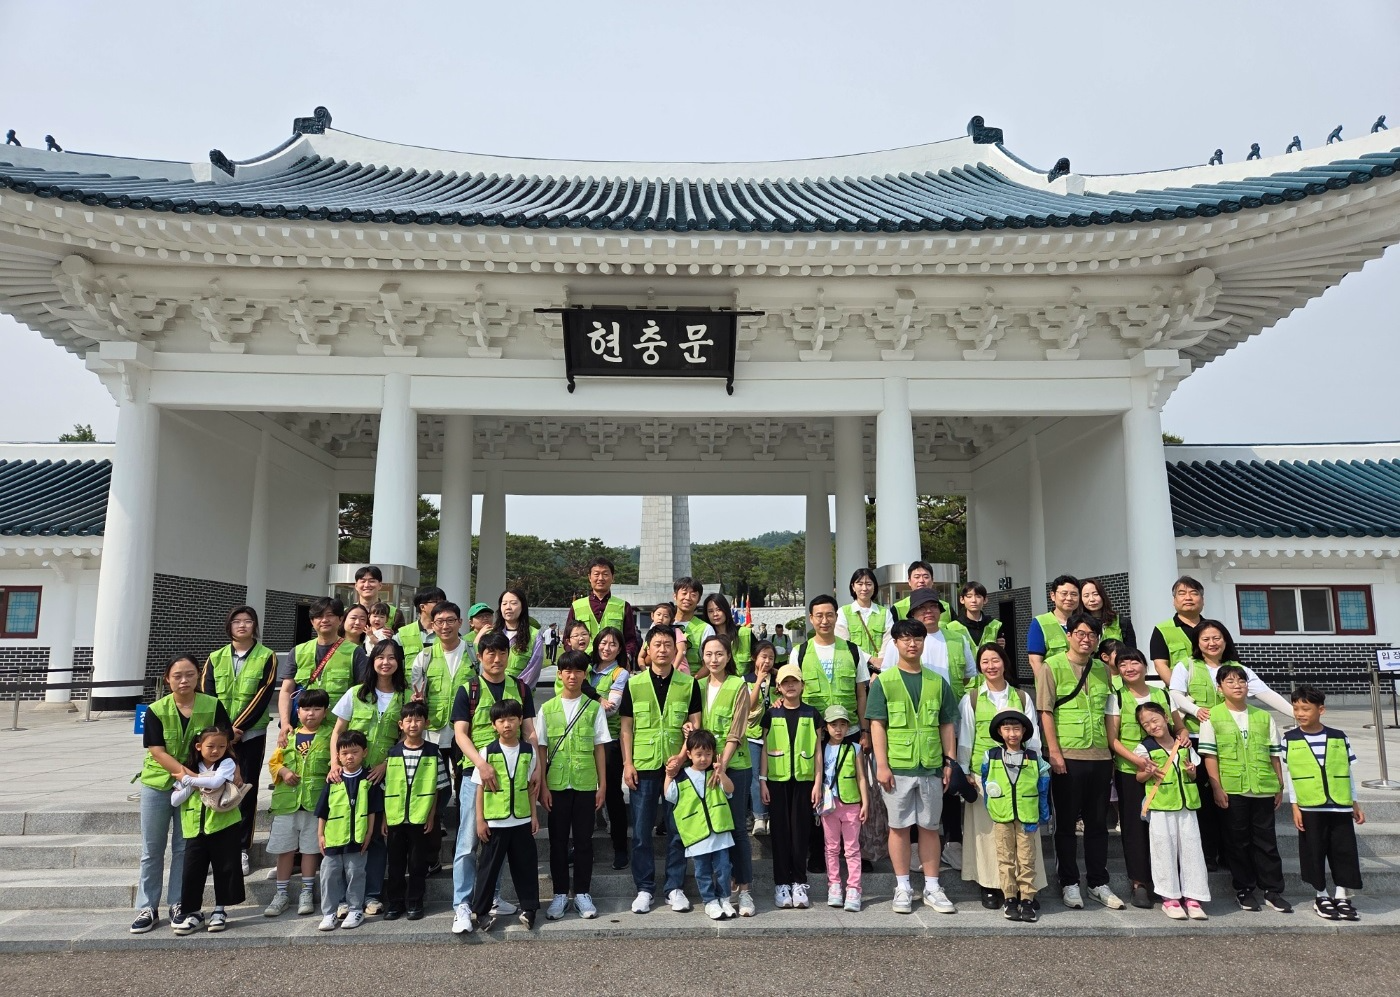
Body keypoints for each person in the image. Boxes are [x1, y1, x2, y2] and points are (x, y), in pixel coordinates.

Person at [1170, 619, 1294, 871]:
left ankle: (1230, 856)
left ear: (1225, 640)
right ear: (1197, 643)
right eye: (1205, 639)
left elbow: (1266, 693)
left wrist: (1297, 714)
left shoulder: (1238, 669)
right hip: (1198, 739)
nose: (1212, 643)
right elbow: (1175, 694)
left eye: (1217, 638)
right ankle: (1208, 855)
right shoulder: (1187, 665)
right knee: (1205, 801)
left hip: (1234, 743)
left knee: (1230, 804)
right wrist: (1195, 710)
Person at [131, 653, 231, 934]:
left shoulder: (213, 705)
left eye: (189, 674)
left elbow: (225, 741)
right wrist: (189, 776)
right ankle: (147, 907)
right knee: (152, 849)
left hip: (195, 787)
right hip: (159, 783)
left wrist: (225, 772)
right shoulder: (156, 709)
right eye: (177, 676)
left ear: (199, 676)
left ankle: (179, 903)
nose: (184, 680)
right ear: (167, 679)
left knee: (184, 847)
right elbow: (157, 751)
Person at [875, 589, 974, 868]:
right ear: (912, 614)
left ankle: (952, 844)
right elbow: (889, 685)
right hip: (907, 737)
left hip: (947, 723)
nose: (928, 611)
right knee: (908, 805)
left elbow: (969, 676)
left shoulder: (957, 638)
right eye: (921, 608)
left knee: (948, 787)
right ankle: (914, 854)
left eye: (933, 606)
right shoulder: (899, 645)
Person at [448, 629, 537, 934]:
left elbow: (529, 731)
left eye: (502, 653)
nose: (497, 659)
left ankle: (493, 897)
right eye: (490, 653)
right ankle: (462, 904)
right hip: (476, 775)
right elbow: (461, 734)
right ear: (480, 656)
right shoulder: (468, 690)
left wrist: (537, 767)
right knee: (468, 842)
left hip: (512, 775)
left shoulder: (520, 687)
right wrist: (481, 764)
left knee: (498, 838)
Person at [868, 619, 958, 915]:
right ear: (895, 643)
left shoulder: (937, 681)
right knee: (898, 828)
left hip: (931, 765)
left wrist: (949, 761)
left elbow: (946, 724)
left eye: (917, 638)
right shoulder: (885, 681)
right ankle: (903, 886)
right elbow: (877, 725)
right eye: (905, 639)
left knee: (930, 828)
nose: (912, 644)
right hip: (897, 767)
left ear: (923, 642)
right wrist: (882, 764)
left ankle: (932, 886)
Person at [1036, 612, 1124, 911]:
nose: (1086, 639)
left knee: (1098, 824)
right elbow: (1046, 711)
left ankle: (1098, 882)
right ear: (1069, 636)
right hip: (1068, 756)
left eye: (1092, 635)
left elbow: (1109, 712)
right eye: (1081, 633)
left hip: (1100, 755)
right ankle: (1069, 881)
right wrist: (1054, 752)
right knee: (1065, 824)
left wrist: (1111, 752)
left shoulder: (1103, 669)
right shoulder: (1052, 666)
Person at [620, 625, 702, 914]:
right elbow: (626, 728)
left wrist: (681, 757)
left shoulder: (688, 684)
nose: (663, 649)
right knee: (642, 831)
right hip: (643, 766)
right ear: (648, 649)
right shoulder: (634, 684)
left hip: (677, 766)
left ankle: (674, 887)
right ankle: (644, 888)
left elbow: (695, 726)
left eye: (668, 644)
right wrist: (627, 763)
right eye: (657, 644)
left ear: (675, 649)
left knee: (677, 830)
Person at [1199, 664, 1291, 914]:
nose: (1237, 685)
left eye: (1241, 681)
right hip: (1233, 787)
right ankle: (1244, 889)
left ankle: (1272, 890)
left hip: (1263, 786)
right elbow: (1210, 756)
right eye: (1230, 682)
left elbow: (1274, 754)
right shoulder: (1212, 717)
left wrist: (1279, 784)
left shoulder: (1263, 716)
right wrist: (1216, 787)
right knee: (1237, 842)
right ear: (1219, 688)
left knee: (1267, 841)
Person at [957, 644, 1042, 910]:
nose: (991, 666)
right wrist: (965, 771)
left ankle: (1026, 889)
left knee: (1025, 833)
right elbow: (965, 737)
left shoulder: (1022, 697)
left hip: (1022, 774)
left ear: (1004, 662)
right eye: (985, 662)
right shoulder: (971, 698)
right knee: (988, 833)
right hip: (986, 775)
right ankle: (991, 884)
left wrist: (1038, 767)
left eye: (995, 660)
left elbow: (1034, 737)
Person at [329, 638, 406, 918]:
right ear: (372, 661)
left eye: (392, 657)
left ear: (399, 663)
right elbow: (338, 731)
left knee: (376, 836)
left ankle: (372, 895)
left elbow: (406, 737)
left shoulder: (405, 695)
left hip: (383, 777)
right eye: (380, 657)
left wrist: (386, 764)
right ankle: (343, 899)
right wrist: (334, 762)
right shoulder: (356, 693)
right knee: (347, 834)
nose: (386, 662)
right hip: (352, 775)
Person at [200, 604, 277, 877]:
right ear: (229, 626)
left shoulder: (266, 656)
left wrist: (238, 727)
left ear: (255, 626)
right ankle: (215, 846)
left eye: (247, 621)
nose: (242, 625)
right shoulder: (215, 657)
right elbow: (207, 693)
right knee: (213, 786)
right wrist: (224, 731)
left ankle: (242, 848)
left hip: (251, 733)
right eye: (237, 621)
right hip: (218, 737)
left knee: (245, 788)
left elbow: (263, 694)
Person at [1106, 647, 1180, 908]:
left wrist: (1182, 738)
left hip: (1163, 772)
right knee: (1134, 829)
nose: (1129, 668)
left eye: (1134, 662)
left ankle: (1165, 882)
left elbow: (1178, 727)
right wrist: (1137, 760)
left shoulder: (1162, 694)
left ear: (1145, 665)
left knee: (1163, 829)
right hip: (1130, 772)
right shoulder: (1116, 697)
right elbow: (1113, 739)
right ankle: (1139, 883)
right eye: (1123, 664)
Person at [1283, 685, 1364, 921]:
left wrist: (1354, 802)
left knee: (1343, 851)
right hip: (1309, 805)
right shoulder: (1289, 739)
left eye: (1305, 708)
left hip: (1340, 804)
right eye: (1296, 708)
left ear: (1321, 710)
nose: (1300, 713)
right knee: (1313, 851)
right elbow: (1291, 776)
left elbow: (1347, 771)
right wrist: (1295, 806)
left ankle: (1341, 895)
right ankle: (1321, 895)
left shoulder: (1339, 736)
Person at [540, 649, 610, 921]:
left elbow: (599, 748)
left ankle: (582, 893)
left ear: (585, 674)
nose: (572, 675)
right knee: (557, 841)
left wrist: (602, 785)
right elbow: (542, 750)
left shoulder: (593, 708)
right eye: (567, 671)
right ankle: (559, 894)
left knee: (583, 841)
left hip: (584, 784)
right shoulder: (547, 708)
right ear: (559, 674)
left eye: (578, 671)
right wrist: (543, 786)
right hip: (556, 785)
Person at [695, 633, 756, 916]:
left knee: (737, 829)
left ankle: (745, 890)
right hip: (705, 767)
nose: (714, 659)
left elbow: (737, 729)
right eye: (708, 654)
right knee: (714, 828)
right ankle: (721, 888)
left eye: (719, 654)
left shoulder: (737, 685)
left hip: (735, 766)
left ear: (729, 656)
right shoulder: (697, 685)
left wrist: (722, 764)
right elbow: (694, 721)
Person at [468, 699, 541, 932]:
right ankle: (481, 912)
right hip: (495, 822)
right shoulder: (487, 752)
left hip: (521, 819)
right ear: (493, 725)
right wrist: (480, 820)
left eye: (511, 719)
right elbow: (479, 789)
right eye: (501, 720)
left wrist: (534, 816)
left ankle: (529, 909)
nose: (507, 724)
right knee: (488, 869)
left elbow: (531, 787)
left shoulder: (529, 751)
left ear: (520, 721)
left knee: (525, 866)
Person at [1134, 702, 1210, 921]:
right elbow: (1139, 777)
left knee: (1192, 849)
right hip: (1161, 806)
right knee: (1163, 850)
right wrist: (1148, 772)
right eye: (1146, 724)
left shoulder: (1184, 744)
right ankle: (1169, 898)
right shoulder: (1144, 748)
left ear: (1166, 717)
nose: (1152, 726)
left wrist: (1192, 772)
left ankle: (1194, 897)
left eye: (1154, 720)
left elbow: (1194, 774)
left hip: (1187, 805)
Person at [409, 601, 473, 860]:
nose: (445, 626)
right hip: (433, 732)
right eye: (439, 622)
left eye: (450, 620)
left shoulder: (474, 654)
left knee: (464, 787)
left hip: (465, 733)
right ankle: (433, 851)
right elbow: (416, 694)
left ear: (460, 623)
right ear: (432, 625)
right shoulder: (424, 657)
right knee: (433, 788)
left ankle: (462, 844)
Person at [168, 725, 245, 934]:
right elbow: (174, 800)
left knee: (225, 868)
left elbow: (217, 782)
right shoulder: (189, 766)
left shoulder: (227, 763)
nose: (215, 750)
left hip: (224, 825)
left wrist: (188, 780)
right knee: (192, 872)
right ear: (198, 746)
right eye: (210, 746)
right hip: (194, 829)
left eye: (221, 746)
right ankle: (193, 913)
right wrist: (192, 785)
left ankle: (220, 911)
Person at [760, 663, 824, 910]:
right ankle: (781, 884)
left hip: (804, 782)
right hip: (777, 781)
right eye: (785, 682)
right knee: (780, 834)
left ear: (802, 685)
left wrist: (818, 782)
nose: (790, 686)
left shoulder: (812, 713)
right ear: (778, 687)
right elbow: (764, 749)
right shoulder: (772, 714)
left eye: (794, 681)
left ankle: (799, 882)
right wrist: (762, 781)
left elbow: (818, 751)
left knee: (800, 833)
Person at [263, 688, 332, 918]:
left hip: (314, 804)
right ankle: (281, 894)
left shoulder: (330, 736)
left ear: (325, 712)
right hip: (287, 802)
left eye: (317, 709)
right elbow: (274, 763)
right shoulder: (288, 736)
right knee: (285, 849)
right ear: (298, 711)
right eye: (305, 709)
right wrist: (283, 771)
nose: (311, 714)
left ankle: (306, 892)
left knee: (311, 849)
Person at [980, 710, 1050, 923]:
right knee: (1005, 858)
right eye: (1007, 729)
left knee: (1027, 858)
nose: (1012, 734)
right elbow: (986, 781)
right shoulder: (991, 756)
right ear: (1000, 732)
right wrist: (992, 806)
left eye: (1017, 729)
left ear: (1024, 731)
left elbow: (1043, 785)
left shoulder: (1034, 758)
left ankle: (1027, 898)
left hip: (1027, 815)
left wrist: (1043, 813)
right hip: (1002, 815)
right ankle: (1009, 898)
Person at [665, 729, 737, 920]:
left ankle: (724, 899)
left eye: (707, 754)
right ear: (689, 754)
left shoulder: (715, 774)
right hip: (696, 835)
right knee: (702, 871)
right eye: (698, 754)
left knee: (724, 868)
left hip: (720, 833)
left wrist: (721, 773)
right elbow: (669, 795)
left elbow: (730, 790)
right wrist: (669, 774)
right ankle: (710, 901)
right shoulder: (682, 776)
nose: (703, 758)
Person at [315, 730, 381, 931]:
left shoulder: (369, 779)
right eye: (344, 753)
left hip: (358, 837)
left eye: (354, 752)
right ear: (338, 756)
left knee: (355, 873)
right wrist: (320, 834)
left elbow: (372, 810)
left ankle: (355, 909)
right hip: (333, 837)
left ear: (364, 752)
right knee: (329, 875)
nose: (349, 757)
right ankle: (329, 913)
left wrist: (369, 833)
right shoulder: (333, 779)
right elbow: (323, 810)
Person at [381, 699, 440, 921]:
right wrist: (385, 818)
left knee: (417, 863)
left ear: (426, 723)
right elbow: (387, 788)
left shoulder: (433, 752)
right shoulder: (393, 753)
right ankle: (395, 903)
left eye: (418, 720)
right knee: (395, 863)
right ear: (400, 724)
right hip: (395, 817)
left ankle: (415, 901)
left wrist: (431, 815)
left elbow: (437, 787)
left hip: (420, 816)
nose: (413, 724)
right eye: (408, 720)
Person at [277, 597, 356, 750]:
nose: (324, 620)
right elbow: (286, 690)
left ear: (340, 619)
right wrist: (285, 723)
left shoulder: (354, 652)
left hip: (338, 732)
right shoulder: (298, 651)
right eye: (319, 616)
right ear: (312, 621)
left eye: (330, 615)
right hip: (302, 730)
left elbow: (360, 693)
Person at [795, 594, 870, 736]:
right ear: (811, 618)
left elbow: (861, 694)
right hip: (813, 732)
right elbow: (793, 693)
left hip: (849, 731)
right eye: (819, 616)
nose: (824, 621)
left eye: (829, 615)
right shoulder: (799, 652)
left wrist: (865, 731)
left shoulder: (853, 650)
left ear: (836, 616)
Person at [819, 705, 869, 912]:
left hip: (851, 803)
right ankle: (834, 885)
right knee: (831, 848)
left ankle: (854, 888)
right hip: (828, 805)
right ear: (826, 727)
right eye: (833, 725)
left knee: (852, 848)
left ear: (848, 727)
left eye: (842, 724)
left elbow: (861, 777)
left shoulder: (854, 748)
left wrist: (865, 802)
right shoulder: (820, 748)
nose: (838, 729)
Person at [589, 625, 631, 869]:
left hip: (610, 741)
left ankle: (620, 847)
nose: (607, 648)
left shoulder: (620, 673)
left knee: (613, 794)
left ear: (620, 649)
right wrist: (597, 699)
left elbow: (611, 708)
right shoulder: (586, 669)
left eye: (613, 644)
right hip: (584, 740)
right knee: (584, 795)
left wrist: (584, 698)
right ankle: (581, 847)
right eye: (603, 643)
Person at [566, 556, 640, 660]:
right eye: (596, 574)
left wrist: (627, 657)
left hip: (613, 663)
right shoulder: (577, 606)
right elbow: (567, 638)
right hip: (583, 663)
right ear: (589, 577)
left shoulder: (623, 606)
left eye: (605, 574)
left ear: (612, 577)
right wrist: (573, 659)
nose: (600, 578)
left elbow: (631, 639)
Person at [745, 640, 776, 836]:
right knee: (756, 778)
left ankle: (773, 816)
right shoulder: (745, 679)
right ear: (754, 658)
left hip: (775, 735)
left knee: (774, 777)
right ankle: (759, 817)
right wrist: (758, 682)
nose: (767, 661)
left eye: (771, 658)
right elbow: (749, 705)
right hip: (753, 735)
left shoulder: (779, 678)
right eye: (763, 657)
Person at [1150, 576, 1206, 686]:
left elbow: (1230, 662)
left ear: (1202, 600)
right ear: (1174, 600)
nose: (1188, 598)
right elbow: (1160, 665)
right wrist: (1179, 690)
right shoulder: (1162, 630)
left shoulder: (1215, 629)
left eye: (1194, 593)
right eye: (1182, 593)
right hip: (1180, 693)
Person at [1027, 574, 1080, 686]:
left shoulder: (1083, 622)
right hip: (1056, 688)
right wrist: (1046, 687)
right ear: (1053, 596)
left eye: (1074, 594)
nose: (1069, 598)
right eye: (1064, 594)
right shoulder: (1040, 623)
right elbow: (1035, 661)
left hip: (1082, 686)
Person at [942, 581, 1004, 659]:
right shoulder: (951, 627)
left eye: (978, 596)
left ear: (985, 600)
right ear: (962, 599)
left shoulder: (995, 625)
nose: (974, 600)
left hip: (987, 666)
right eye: (969, 596)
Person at [835, 567, 888, 658]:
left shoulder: (885, 613)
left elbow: (889, 641)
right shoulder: (843, 612)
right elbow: (843, 643)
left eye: (868, 584)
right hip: (854, 664)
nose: (864, 588)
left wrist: (881, 660)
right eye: (860, 584)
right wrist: (870, 659)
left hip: (881, 664)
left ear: (874, 587)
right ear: (853, 587)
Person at [496, 588, 545, 684]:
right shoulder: (492, 633)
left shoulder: (534, 635)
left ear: (523, 607)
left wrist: (516, 688)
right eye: (504, 603)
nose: (508, 607)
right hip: (494, 690)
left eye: (513, 603)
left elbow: (533, 669)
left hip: (520, 690)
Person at [703, 592, 755, 674]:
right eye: (710, 611)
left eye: (719, 609)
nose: (715, 614)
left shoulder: (744, 633)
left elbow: (760, 658)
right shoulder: (706, 637)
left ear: (726, 610)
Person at [1079, 578, 1135, 650]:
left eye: (1095, 594)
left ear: (1103, 596)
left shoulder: (1123, 622)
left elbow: (1132, 653)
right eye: (1086, 596)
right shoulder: (1078, 623)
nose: (1092, 599)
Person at [395, 585, 446, 663]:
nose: (441, 606)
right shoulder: (402, 634)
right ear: (422, 607)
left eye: (443, 602)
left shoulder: (449, 632)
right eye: (436, 602)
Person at [672, 577, 710, 672]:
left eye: (693, 595)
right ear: (675, 596)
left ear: (699, 599)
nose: (688, 598)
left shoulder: (706, 629)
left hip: (693, 678)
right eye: (684, 593)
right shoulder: (663, 624)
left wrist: (693, 680)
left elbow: (708, 664)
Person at [351, 565, 398, 630]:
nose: (366, 585)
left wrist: (392, 634)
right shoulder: (347, 612)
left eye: (372, 581)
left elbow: (400, 636)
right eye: (363, 581)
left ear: (380, 585)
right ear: (356, 586)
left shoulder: (395, 613)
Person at [343, 605, 373, 683]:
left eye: (362, 619)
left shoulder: (370, 646)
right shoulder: (334, 645)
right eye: (353, 618)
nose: (357, 623)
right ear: (343, 620)